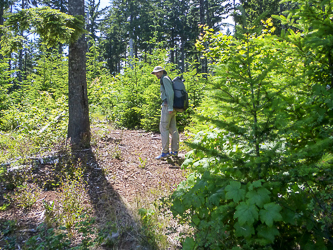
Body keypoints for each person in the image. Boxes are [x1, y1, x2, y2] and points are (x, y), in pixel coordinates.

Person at [151, 66, 179, 159]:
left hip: (168, 107)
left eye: (158, 72)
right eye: (155, 73)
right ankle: (174, 151)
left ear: (162, 71)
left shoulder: (165, 79)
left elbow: (170, 93)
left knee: (163, 128)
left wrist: (170, 107)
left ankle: (165, 152)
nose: (156, 74)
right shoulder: (165, 79)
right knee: (173, 128)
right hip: (171, 106)